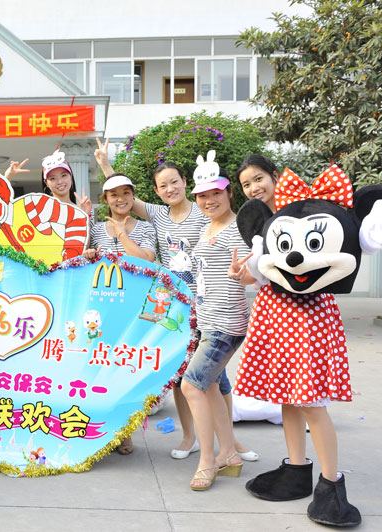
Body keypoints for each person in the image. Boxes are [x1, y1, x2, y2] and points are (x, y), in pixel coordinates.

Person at [95, 143, 258, 463]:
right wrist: (105, 166)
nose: (170, 189)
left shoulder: (205, 208)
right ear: (157, 191)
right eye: (163, 185)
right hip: (176, 306)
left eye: (174, 182)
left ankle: (230, 442)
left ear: (186, 182)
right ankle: (189, 437)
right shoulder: (158, 213)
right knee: (182, 375)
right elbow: (122, 196)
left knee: (216, 378)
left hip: (209, 305)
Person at [178, 151, 251, 490]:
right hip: (208, 320)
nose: (209, 200)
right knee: (208, 387)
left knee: (191, 386)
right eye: (202, 195)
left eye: (216, 193)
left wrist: (244, 274)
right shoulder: (208, 226)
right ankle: (229, 454)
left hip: (227, 322)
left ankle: (207, 460)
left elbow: (252, 270)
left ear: (229, 193)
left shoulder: (239, 229)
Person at [84, 173, 156, 455]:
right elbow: (83, 257)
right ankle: (99, 431)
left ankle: (124, 432)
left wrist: (122, 233)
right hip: (101, 311)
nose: (121, 199)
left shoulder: (145, 228)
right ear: (106, 199)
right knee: (97, 372)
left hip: (135, 309)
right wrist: (90, 254)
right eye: (114, 194)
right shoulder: (96, 229)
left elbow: (146, 259)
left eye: (126, 193)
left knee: (126, 372)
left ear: (133, 196)